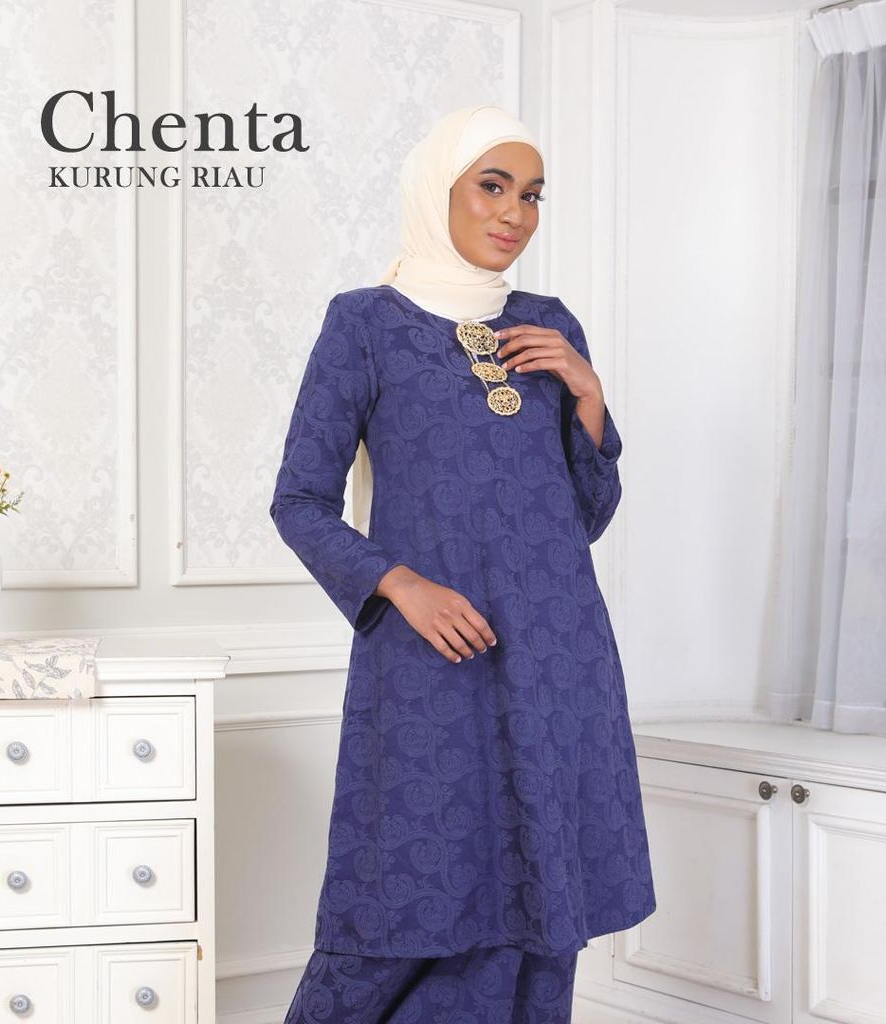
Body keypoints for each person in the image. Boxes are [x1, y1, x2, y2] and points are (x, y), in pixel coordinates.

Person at [270, 104, 656, 1024]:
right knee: (401, 905)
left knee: (538, 912)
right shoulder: (366, 324)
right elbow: (298, 500)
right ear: (436, 190)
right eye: (493, 186)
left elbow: (582, 517)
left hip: (557, 657)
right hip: (430, 657)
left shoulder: (549, 326)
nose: (516, 212)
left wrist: (588, 393)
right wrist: (399, 583)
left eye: (533, 195)